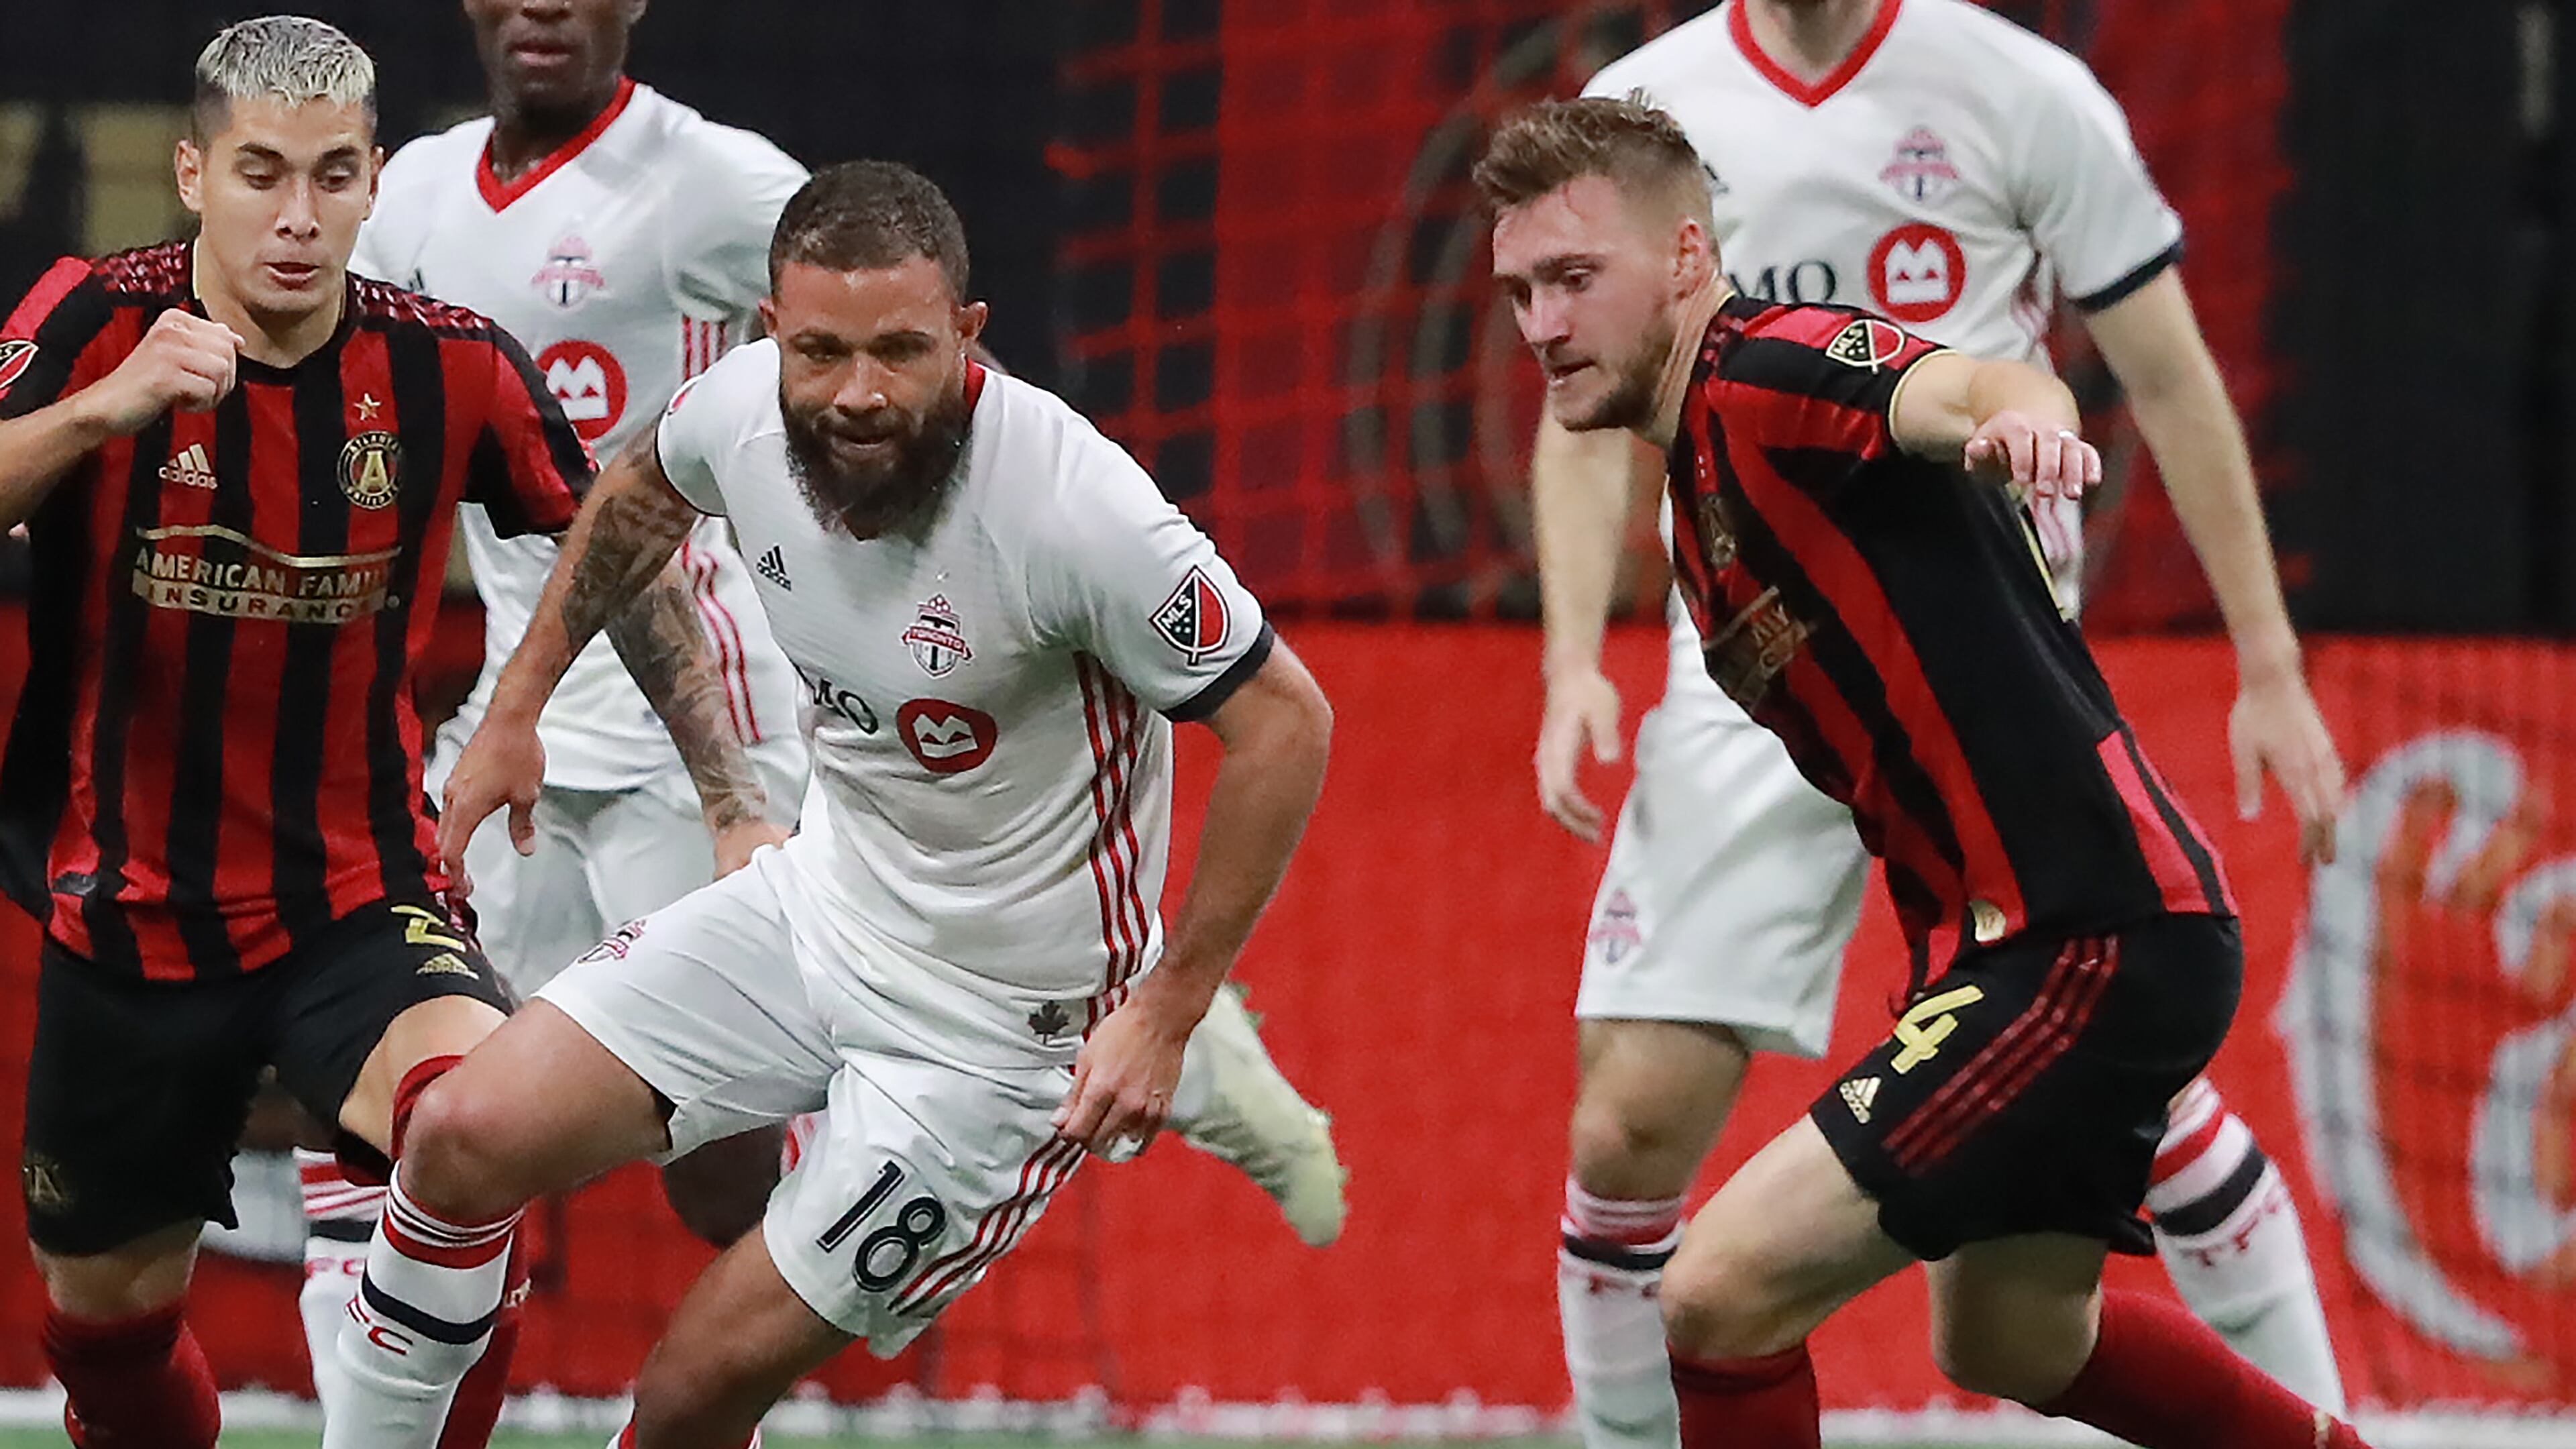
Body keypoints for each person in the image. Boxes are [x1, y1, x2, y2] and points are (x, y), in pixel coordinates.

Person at [327, 160, 1336, 1449]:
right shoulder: (743, 411)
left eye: (902, 351)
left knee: (690, 1389)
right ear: (770, 336)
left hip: (996, 1044)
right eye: (821, 352)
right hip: (813, 913)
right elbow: (638, 487)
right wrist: (519, 704)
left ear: (968, 335)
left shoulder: (1078, 509)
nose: (859, 394)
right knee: (461, 1134)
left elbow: (1285, 723)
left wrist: (1171, 1008)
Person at [1483, 97, 2370, 1449]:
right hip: (2044, 945)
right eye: (1519, 291)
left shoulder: (1766, 372)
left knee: (1716, 1295)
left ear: (1681, 259)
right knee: (2011, 1338)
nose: (1541, 326)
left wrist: (2020, 420)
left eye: (1573, 280)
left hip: (2089, 936)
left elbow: (1963, 385)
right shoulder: (1696, 512)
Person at [0, 17, 769, 1449]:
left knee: (478, 1131)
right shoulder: (92, 319)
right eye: (260, 173)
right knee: (106, 1346)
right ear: (192, 175)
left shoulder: (447, 364)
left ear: (371, 187)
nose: (296, 217)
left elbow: (620, 546)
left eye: (332, 176)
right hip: (126, 919)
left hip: (358, 898)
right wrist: (105, 410)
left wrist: (716, 789)